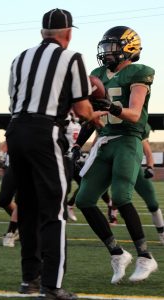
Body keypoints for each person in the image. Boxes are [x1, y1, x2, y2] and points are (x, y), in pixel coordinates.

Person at [5, 8, 104, 300]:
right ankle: (52, 284)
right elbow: (82, 108)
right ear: (68, 33)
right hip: (44, 133)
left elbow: (15, 99)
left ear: (41, 33)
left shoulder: (19, 58)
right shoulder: (71, 57)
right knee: (55, 211)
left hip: (16, 130)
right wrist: (94, 116)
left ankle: (29, 280)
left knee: (29, 209)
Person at [75, 26, 158, 284]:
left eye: (112, 47)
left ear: (129, 48)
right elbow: (92, 117)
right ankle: (117, 253)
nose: (107, 52)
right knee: (84, 199)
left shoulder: (138, 72)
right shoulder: (98, 75)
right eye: (105, 47)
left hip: (129, 139)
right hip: (106, 139)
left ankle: (145, 257)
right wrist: (78, 145)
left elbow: (133, 113)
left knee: (122, 196)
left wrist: (110, 106)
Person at [0, 141, 19, 247]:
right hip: (11, 165)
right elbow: (9, 137)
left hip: (30, 164)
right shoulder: (14, 124)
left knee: (22, 199)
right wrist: (2, 152)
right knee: (3, 200)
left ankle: (11, 232)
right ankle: (24, 225)